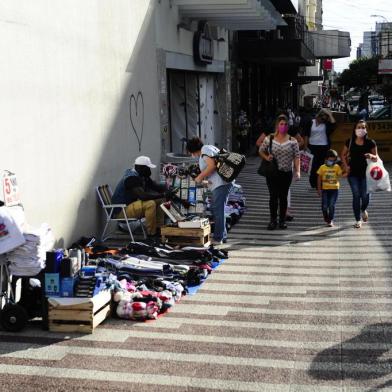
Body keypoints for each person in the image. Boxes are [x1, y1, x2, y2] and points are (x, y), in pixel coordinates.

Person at [256, 110, 304, 221]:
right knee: (273, 196)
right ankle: (273, 220)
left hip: (287, 169)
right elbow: (259, 145)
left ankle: (283, 218)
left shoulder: (292, 136)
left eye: (285, 123)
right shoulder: (269, 136)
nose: (283, 126)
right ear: (277, 124)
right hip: (272, 169)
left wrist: (297, 170)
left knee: (284, 195)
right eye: (281, 124)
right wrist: (267, 154)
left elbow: (298, 152)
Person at [186, 137, 233, 245]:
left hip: (221, 184)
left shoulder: (205, 150)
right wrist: (205, 181)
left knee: (217, 210)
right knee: (217, 209)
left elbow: (211, 166)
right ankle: (222, 235)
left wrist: (199, 177)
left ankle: (218, 238)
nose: (191, 154)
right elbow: (214, 169)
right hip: (221, 183)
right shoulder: (208, 148)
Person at [111, 156, 169, 237]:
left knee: (160, 200)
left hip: (129, 207)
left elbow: (155, 187)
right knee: (150, 204)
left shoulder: (141, 175)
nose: (149, 170)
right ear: (140, 167)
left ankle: (159, 228)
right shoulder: (131, 178)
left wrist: (168, 189)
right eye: (148, 168)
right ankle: (151, 234)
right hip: (121, 211)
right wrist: (163, 194)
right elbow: (143, 196)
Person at [340, 120, 378, 228]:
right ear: (355, 129)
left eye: (363, 127)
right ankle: (358, 219)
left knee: (365, 196)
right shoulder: (350, 141)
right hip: (353, 174)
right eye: (359, 127)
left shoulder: (371, 142)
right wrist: (346, 166)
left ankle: (363, 209)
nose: (361, 129)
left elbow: (376, 158)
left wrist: (371, 156)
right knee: (356, 195)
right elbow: (342, 154)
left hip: (367, 173)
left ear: (366, 130)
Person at [303, 108, 336, 189]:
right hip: (312, 147)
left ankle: (320, 183)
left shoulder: (326, 124)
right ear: (318, 116)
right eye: (322, 118)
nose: (323, 120)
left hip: (323, 147)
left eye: (325, 119)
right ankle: (313, 182)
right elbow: (306, 135)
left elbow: (334, 124)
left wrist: (329, 114)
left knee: (322, 166)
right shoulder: (311, 122)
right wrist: (305, 146)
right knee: (313, 166)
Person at [316, 149, 344, 227]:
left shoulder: (337, 167)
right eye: (330, 160)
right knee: (324, 206)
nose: (331, 162)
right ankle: (326, 217)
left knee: (332, 205)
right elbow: (319, 178)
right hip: (325, 190)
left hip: (334, 190)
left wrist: (345, 169)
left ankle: (330, 220)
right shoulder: (322, 167)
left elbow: (340, 175)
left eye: (333, 160)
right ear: (326, 159)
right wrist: (319, 189)